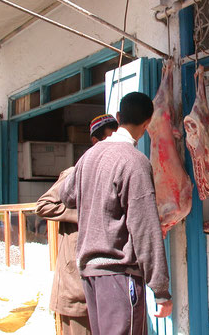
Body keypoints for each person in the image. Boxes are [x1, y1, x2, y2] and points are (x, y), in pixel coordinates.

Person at [60, 92, 172, 335]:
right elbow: (145, 229)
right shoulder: (135, 162)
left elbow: (66, 196)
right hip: (119, 276)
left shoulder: (88, 156)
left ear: (119, 117)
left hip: (90, 275)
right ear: (147, 124)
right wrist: (161, 290)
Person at [36, 114, 118, 335]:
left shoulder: (116, 174)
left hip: (105, 285)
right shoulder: (75, 173)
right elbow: (43, 205)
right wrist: (82, 213)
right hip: (75, 288)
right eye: (108, 139)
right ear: (95, 141)